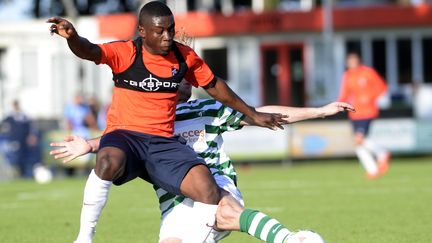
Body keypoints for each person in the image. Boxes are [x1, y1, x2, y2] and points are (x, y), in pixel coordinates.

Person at [47, 1, 286, 242]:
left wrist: (252, 113)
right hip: (125, 137)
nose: (167, 36)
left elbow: (214, 86)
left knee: (207, 189)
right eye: (159, 31)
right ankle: (85, 236)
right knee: (108, 160)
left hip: (162, 142)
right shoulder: (126, 52)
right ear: (142, 31)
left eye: (171, 29)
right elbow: (89, 50)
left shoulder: (184, 57)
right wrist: (72, 37)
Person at [51, 80, 355, 243]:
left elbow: (260, 112)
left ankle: (291, 240)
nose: (184, 84)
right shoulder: (147, 121)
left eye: (186, 80)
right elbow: (120, 141)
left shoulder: (205, 109)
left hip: (216, 185)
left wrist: (318, 111)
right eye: (177, 80)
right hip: (173, 205)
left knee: (223, 211)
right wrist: (88, 145)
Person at [338, 52, 390, 179]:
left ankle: (382, 153)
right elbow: (344, 93)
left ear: (358, 61)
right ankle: (373, 170)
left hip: (368, 111)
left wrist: (370, 97)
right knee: (358, 144)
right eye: (349, 62)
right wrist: (338, 104)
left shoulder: (368, 72)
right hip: (354, 113)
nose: (352, 64)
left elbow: (382, 87)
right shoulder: (347, 76)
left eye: (354, 61)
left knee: (359, 139)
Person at [0, 100, 39, 178]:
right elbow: (3, 125)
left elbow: (31, 127)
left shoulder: (24, 116)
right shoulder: (9, 117)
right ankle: (17, 174)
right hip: (14, 140)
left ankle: (24, 174)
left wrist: (32, 136)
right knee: (15, 158)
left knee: (24, 158)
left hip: (24, 140)